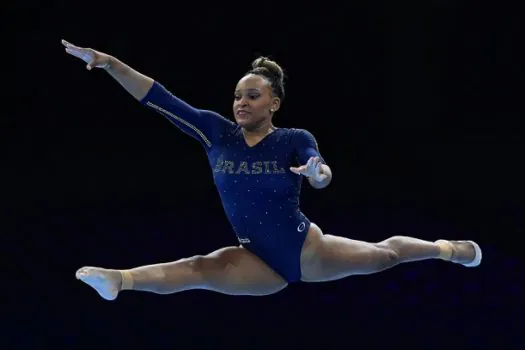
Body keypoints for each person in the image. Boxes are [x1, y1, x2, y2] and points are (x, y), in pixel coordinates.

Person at [62, 39, 482, 301]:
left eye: (252, 96)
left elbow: (319, 167)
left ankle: (446, 248)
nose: (240, 102)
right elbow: (161, 98)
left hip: (305, 251)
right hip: (255, 260)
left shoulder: (292, 138)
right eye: (237, 96)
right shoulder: (216, 133)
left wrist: (318, 174)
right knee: (201, 267)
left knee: (385, 256)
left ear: (273, 104)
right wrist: (110, 63)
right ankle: (118, 279)